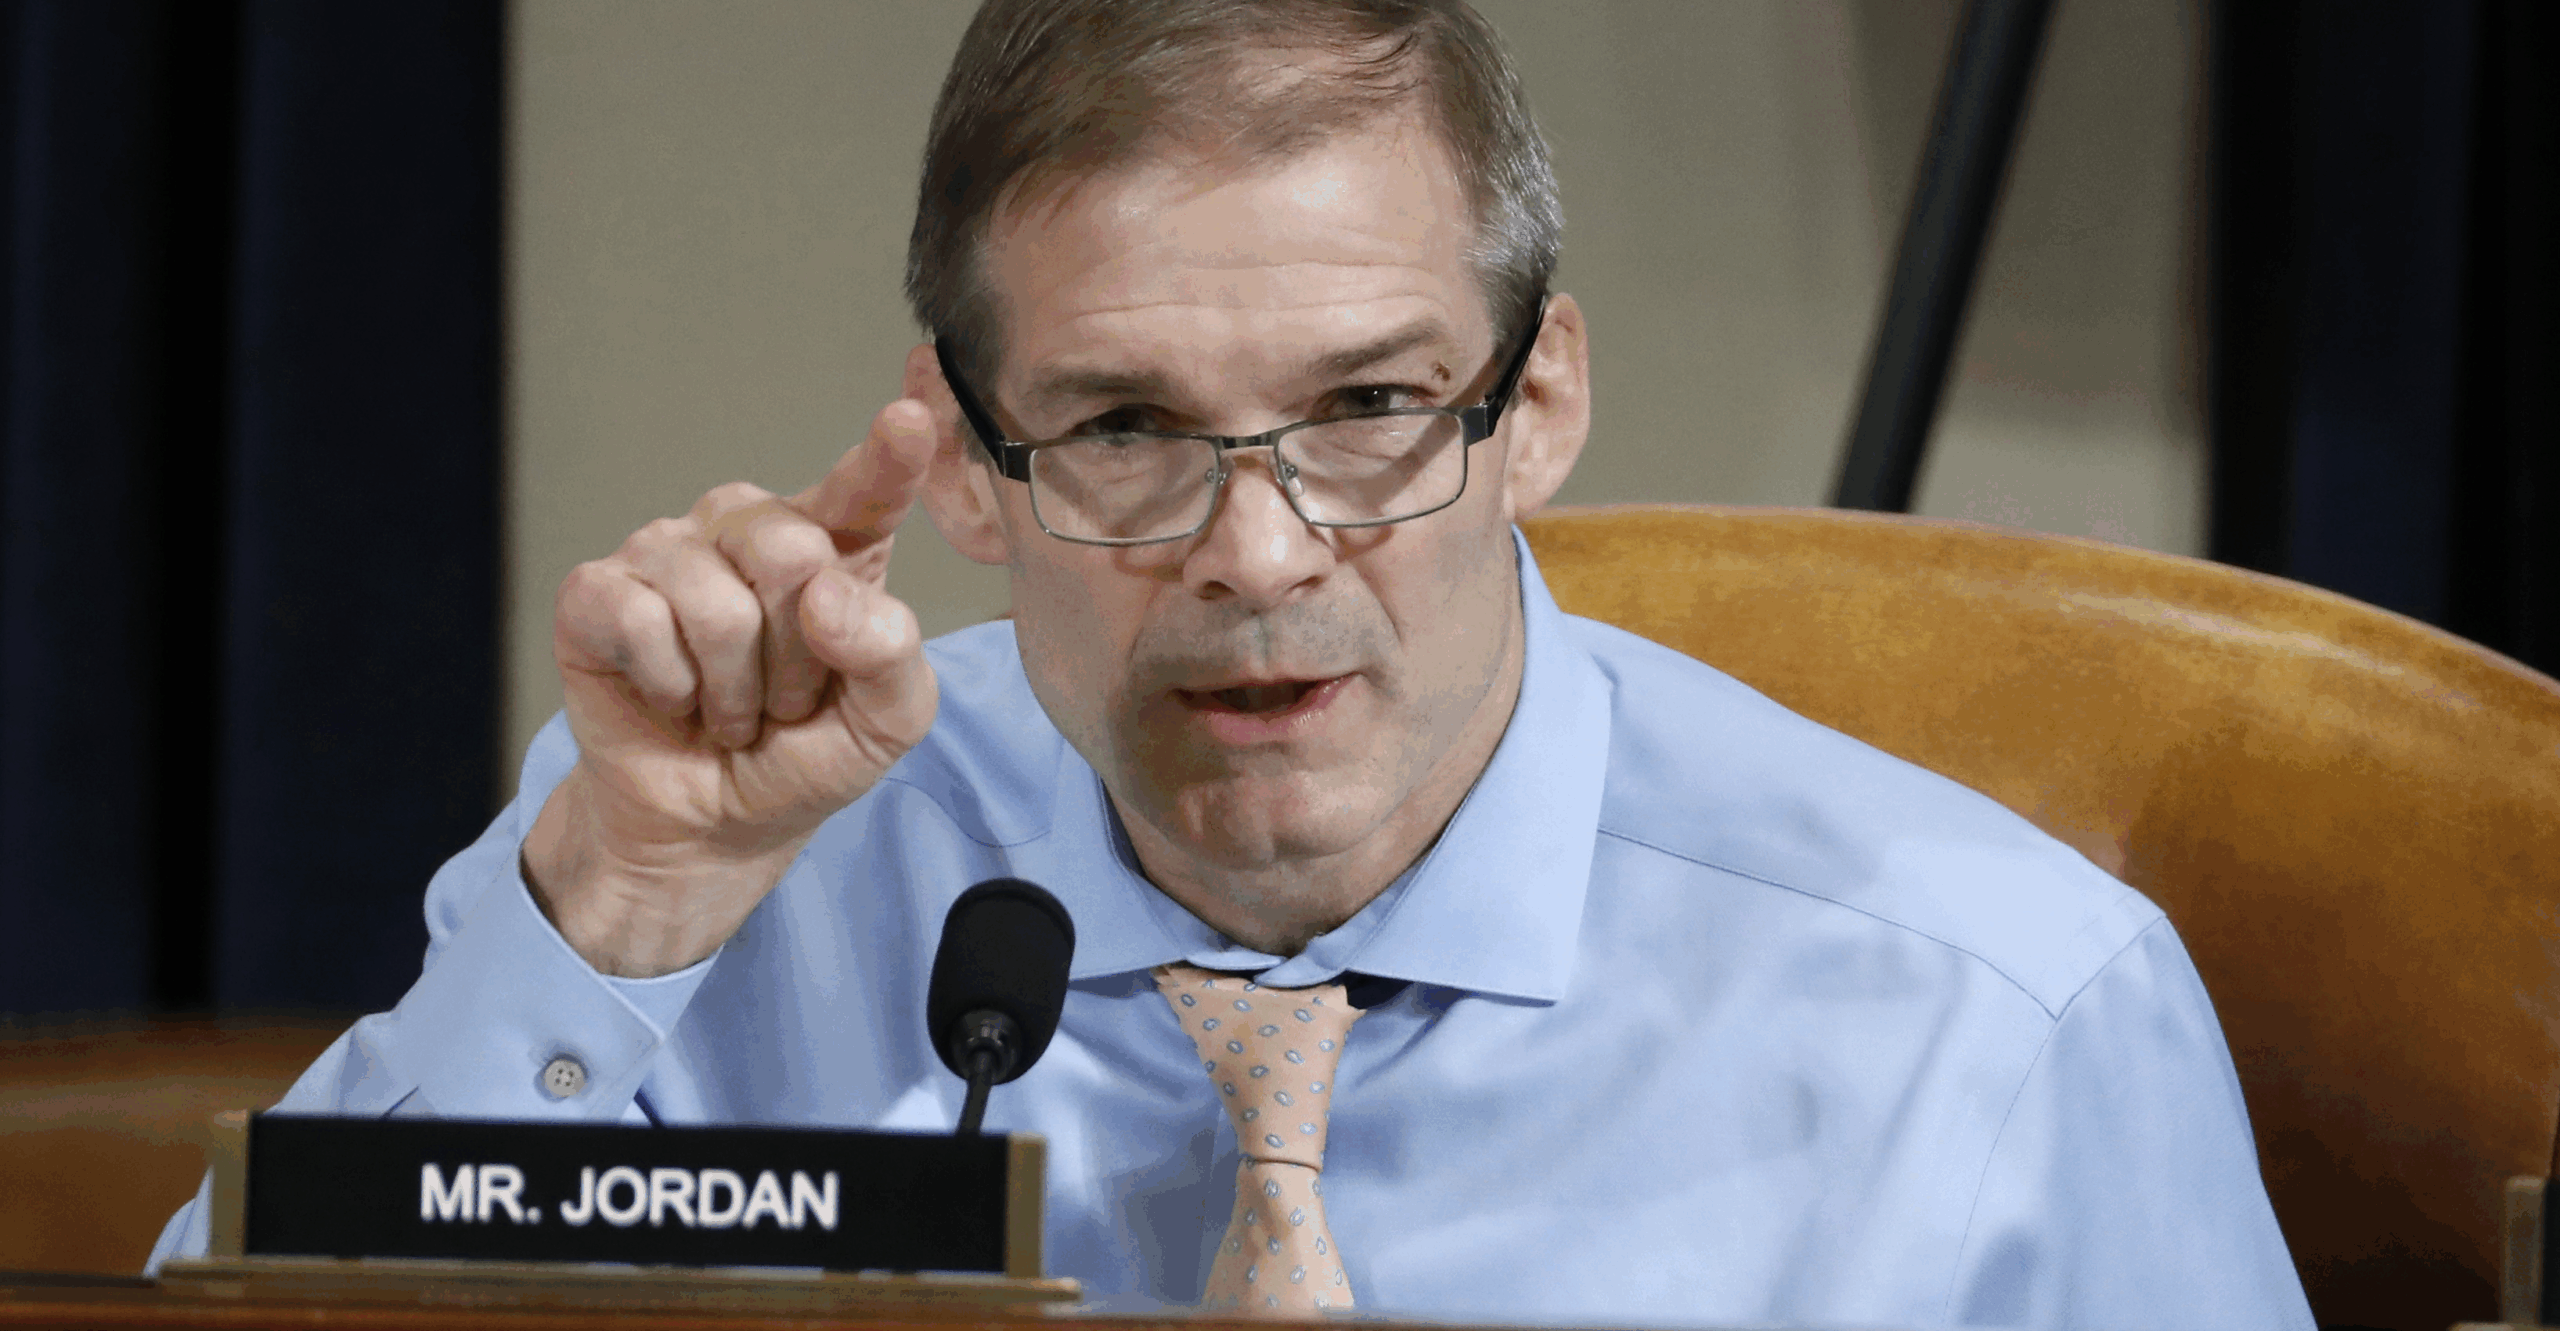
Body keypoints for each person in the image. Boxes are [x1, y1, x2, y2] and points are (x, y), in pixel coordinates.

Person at [152, 1, 2316, 1325]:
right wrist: (621, 908)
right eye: (1124, 427)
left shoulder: (1999, 1014)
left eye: (1369, 406)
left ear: (1538, 404)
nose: (1258, 553)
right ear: (965, 460)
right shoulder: (736, 862)